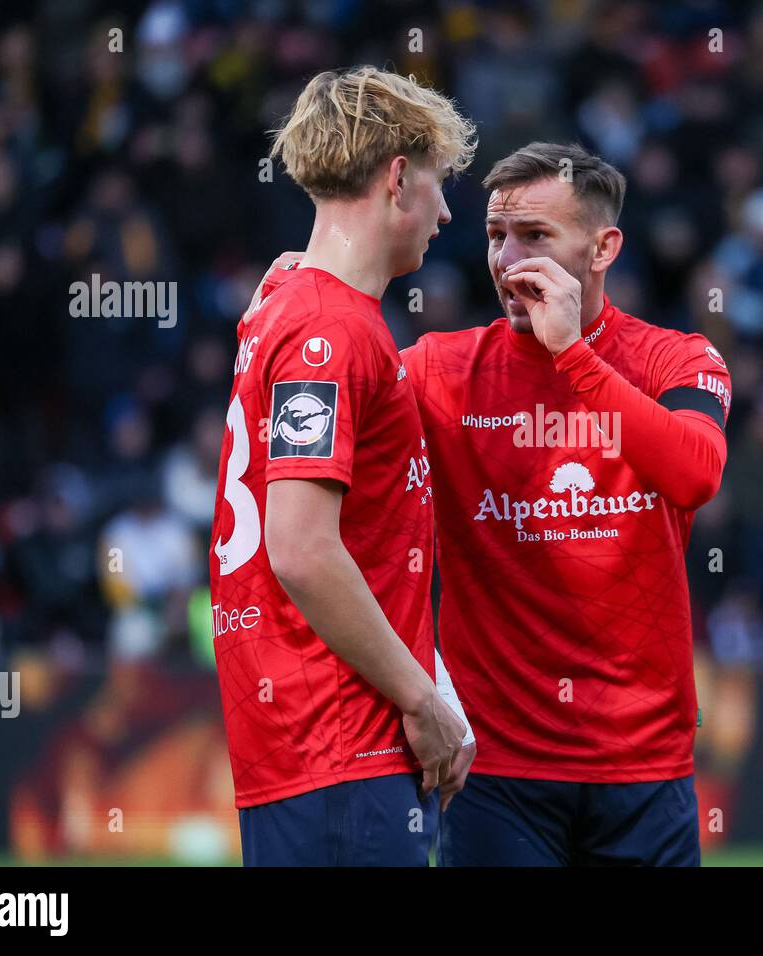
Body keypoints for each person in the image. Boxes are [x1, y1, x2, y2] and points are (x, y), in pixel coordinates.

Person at [407, 143, 731, 865]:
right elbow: (339, 395)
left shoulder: (675, 359)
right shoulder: (439, 371)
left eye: (535, 236)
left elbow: (696, 473)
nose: (506, 259)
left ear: (603, 246)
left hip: (643, 766)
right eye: (496, 236)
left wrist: (574, 358)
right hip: (498, 770)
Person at [208, 66, 477, 866]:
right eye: (437, 183)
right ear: (398, 179)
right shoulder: (327, 328)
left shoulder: (293, 309)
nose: (446, 209)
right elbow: (301, 547)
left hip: (305, 747)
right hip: (339, 744)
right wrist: (422, 699)